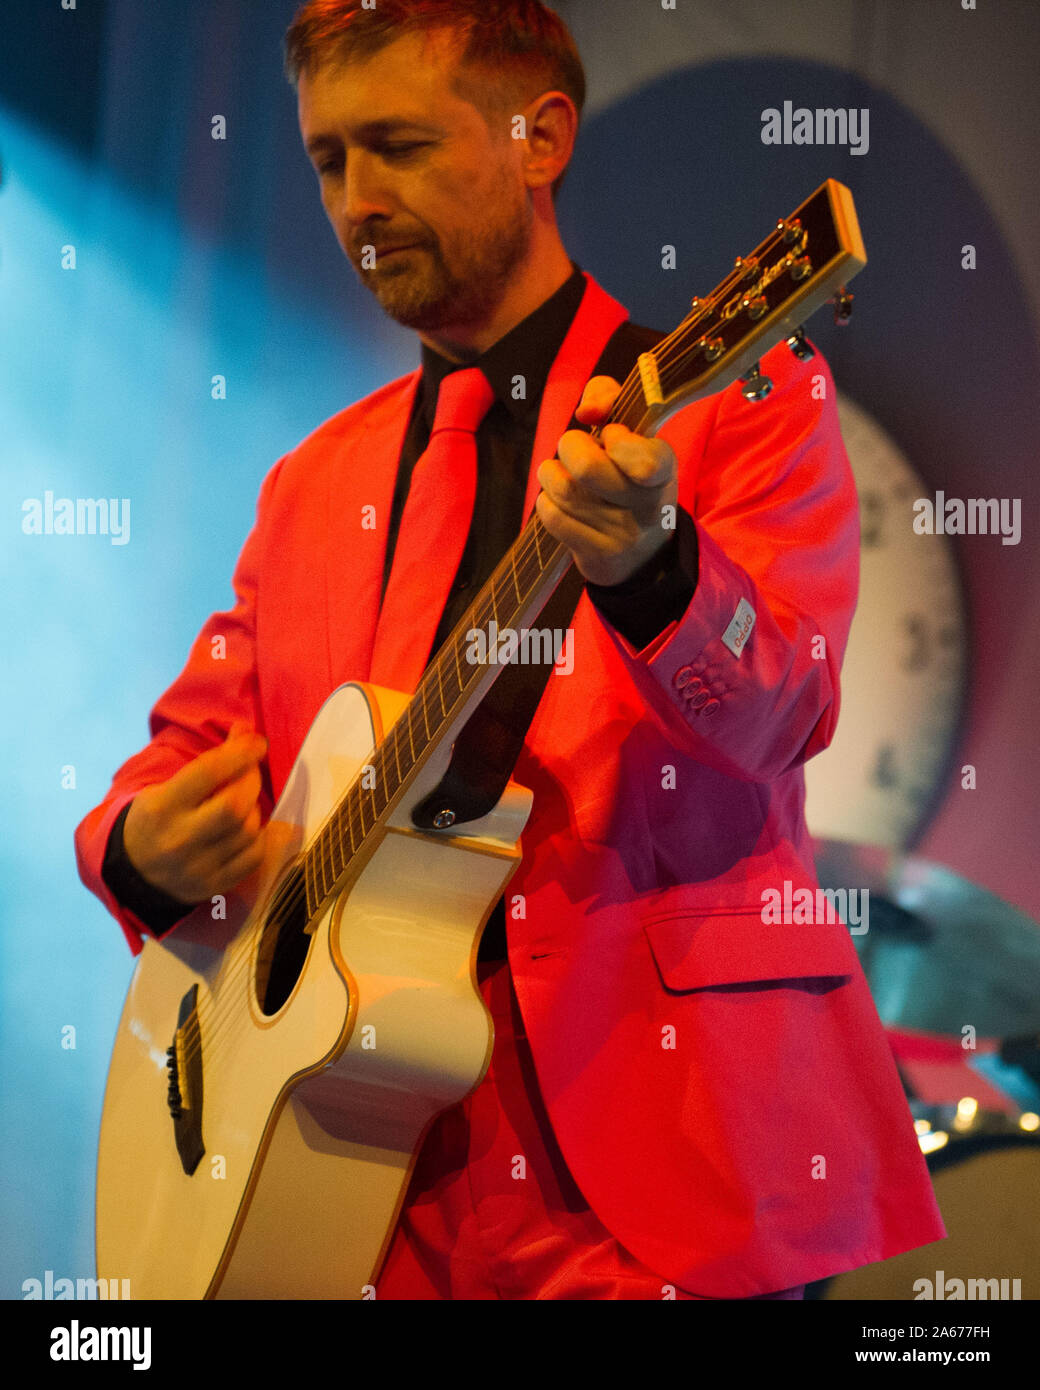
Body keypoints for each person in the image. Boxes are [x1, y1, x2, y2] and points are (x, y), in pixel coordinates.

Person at [75, 0, 946, 1300]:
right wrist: (144, 852)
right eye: (328, 160)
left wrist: (656, 567)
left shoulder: (737, 398)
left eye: (403, 146)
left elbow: (785, 708)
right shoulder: (314, 484)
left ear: (542, 137)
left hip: (669, 1177)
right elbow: (171, 767)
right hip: (363, 1185)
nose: (359, 199)